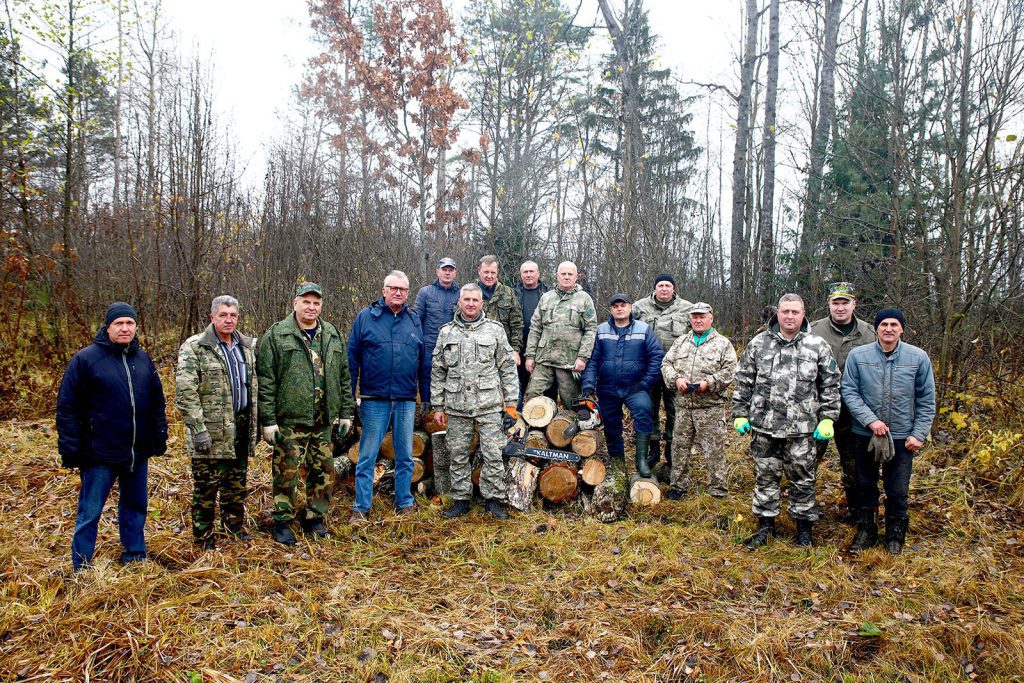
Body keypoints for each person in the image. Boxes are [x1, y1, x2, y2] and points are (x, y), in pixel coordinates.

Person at [57, 302, 168, 570]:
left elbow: (156, 401)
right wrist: (70, 448)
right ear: (107, 327)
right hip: (99, 453)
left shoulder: (142, 359)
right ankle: (81, 564)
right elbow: (67, 407)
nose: (125, 328)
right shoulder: (86, 360)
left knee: (135, 507)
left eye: (130, 323)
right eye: (119, 323)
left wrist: (159, 435)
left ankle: (135, 555)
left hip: (136, 452)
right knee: (90, 511)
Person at [733, 293, 841, 548]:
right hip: (764, 427)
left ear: (803, 314)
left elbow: (831, 385)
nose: (789, 316)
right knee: (765, 478)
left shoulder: (817, 345)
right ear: (777, 313)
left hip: (802, 430)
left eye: (795, 312)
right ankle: (766, 527)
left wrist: (828, 418)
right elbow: (743, 380)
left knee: (803, 480)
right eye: (785, 312)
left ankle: (803, 530)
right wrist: (739, 413)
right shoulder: (759, 343)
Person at [256, 282, 354, 545]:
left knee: (323, 470)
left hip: (322, 419)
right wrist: (268, 420)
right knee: (286, 472)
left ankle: (315, 517)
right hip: (290, 420)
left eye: (316, 303)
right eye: (306, 302)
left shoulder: (332, 334)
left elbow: (344, 375)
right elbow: (266, 381)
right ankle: (282, 521)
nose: (311, 307)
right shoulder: (277, 335)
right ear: (295, 303)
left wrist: (345, 412)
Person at [842, 309, 935, 555]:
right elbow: (849, 391)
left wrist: (919, 433)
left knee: (897, 488)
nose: (889, 328)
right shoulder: (858, 356)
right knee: (864, 484)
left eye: (894, 324)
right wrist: (870, 421)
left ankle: (895, 535)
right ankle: (866, 532)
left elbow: (927, 399)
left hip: (903, 436)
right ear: (876, 329)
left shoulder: (918, 357)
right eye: (884, 324)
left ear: (902, 329)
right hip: (865, 434)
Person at [175, 295, 258, 550]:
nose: (229, 320)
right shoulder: (195, 347)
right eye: (223, 315)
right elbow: (185, 392)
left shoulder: (246, 347)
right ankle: (204, 537)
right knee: (206, 489)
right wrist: (198, 429)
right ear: (212, 317)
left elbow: (254, 386)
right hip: (209, 432)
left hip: (240, 427)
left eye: (233, 315)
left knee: (236, 484)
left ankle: (233, 528)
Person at [430, 284, 520, 520]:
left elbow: (508, 369)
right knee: (457, 454)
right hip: (457, 405)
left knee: (493, 453)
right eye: (466, 299)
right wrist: (437, 406)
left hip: (489, 405)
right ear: (459, 302)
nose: (470, 303)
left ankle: (493, 501)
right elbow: (438, 371)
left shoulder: (495, 331)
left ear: (482, 303)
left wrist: (511, 404)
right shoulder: (446, 332)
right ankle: (461, 500)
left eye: (475, 300)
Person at [348, 270, 429, 526]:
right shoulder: (366, 317)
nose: (398, 293)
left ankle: (404, 502)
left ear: (408, 293)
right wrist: (350, 396)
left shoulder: (414, 319)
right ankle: (361, 508)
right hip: (375, 399)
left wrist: (424, 397)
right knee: (367, 455)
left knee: (405, 455)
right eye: (393, 288)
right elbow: (352, 359)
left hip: (405, 400)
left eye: (403, 290)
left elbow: (423, 361)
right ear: (383, 290)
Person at [809, 281, 875, 520]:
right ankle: (804, 510)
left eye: (844, 302)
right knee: (807, 460)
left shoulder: (869, 333)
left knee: (855, 463)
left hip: (853, 410)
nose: (840, 308)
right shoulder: (813, 331)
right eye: (835, 302)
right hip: (818, 409)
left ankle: (858, 511)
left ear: (853, 304)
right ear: (828, 304)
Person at [580, 294, 664, 477]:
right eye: (615, 306)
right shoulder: (601, 331)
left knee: (643, 412)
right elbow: (592, 360)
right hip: (607, 387)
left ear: (630, 307)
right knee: (611, 424)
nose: (620, 308)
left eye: (623, 305)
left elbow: (657, 357)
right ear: (610, 309)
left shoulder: (644, 329)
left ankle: (641, 460)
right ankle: (618, 465)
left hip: (635, 387)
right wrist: (588, 385)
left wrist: (645, 383)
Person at [660, 302, 737, 499]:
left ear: (711, 318)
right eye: (694, 316)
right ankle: (678, 486)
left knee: (714, 450)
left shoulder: (722, 344)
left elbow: (730, 370)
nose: (698, 319)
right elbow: (666, 364)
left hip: (710, 408)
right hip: (684, 406)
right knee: (679, 448)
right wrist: (676, 379)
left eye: (702, 316)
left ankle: (717, 490)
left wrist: (709, 383)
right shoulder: (681, 342)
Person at [632, 273, 693, 470]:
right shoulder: (639, 307)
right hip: (646, 368)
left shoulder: (687, 308)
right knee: (648, 410)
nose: (664, 289)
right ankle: (653, 451)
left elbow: (699, 335)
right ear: (655, 288)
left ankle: (672, 453)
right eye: (661, 285)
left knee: (675, 411)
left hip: (676, 370)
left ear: (674, 288)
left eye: (668, 285)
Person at [412, 257, 460, 494]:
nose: (447, 273)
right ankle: (427, 412)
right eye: (444, 269)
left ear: (455, 272)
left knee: (450, 385)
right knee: (428, 383)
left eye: (451, 270)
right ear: (438, 271)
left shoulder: (460, 294)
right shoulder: (426, 293)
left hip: (454, 349)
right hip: (429, 346)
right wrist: (418, 344)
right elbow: (416, 319)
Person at [523, 261, 598, 407]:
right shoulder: (546, 298)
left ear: (576, 277)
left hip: (570, 361)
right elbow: (536, 328)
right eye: (563, 274)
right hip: (544, 358)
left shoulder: (584, 299)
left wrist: (583, 357)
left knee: (571, 402)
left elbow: (591, 329)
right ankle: (536, 428)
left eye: (570, 274)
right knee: (532, 395)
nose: (566, 277)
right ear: (557, 276)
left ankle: (571, 428)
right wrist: (530, 356)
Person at [513, 260, 551, 408]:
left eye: (531, 271)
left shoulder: (548, 294)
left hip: (543, 349)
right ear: (521, 274)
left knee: (546, 390)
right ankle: (518, 421)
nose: (528, 275)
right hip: (519, 347)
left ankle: (545, 422)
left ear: (538, 273)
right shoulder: (512, 293)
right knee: (518, 386)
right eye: (525, 272)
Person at [476, 255, 524, 366]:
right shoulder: (470, 292)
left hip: (503, 351)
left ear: (497, 272)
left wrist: (515, 350)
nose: (489, 276)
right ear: (479, 271)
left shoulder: (508, 293)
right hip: (477, 352)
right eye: (486, 272)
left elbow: (517, 324)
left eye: (493, 273)